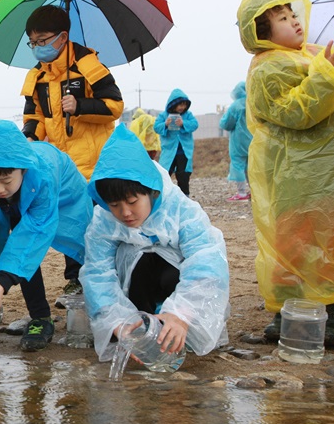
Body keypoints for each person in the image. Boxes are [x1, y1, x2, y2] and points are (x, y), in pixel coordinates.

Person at [237, 0, 334, 346]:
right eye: (283, 19)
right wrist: (327, 75)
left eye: (293, 15)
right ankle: (284, 321)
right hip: (296, 177)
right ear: (262, 32)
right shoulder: (267, 68)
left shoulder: (308, 55)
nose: (295, 22)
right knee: (293, 247)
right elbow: (295, 112)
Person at [80, 125, 230, 363]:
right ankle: (144, 321)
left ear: (151, 192)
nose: (125, 212)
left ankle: (176, 326)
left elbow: (206, 261)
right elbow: (97, 272)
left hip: (174, 281)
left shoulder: (181, 209)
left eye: (131, 201)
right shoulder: (104, 219)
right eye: (115, 204)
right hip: (139, 287)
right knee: (134, 255)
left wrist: (182, 313)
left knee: (166, 265)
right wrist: (118, 323)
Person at [0, 120, 92, 352]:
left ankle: (58, 315)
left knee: (83, 246)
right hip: (17, 198)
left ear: (23, 168)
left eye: (5, 181)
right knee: (1, 242)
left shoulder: (42, 176)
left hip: (64, 195)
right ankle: (21, 317)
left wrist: (1, 285)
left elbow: (30, 239)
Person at [20, 5, 123, 297]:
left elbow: (114, 106)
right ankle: (75, 278)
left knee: (98, 221)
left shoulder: (88, 66)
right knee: (69, 218)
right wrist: (29, 136)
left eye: (43, 40)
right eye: (33, 42)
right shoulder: (37, 77)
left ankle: (108, 274)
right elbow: (34, 116)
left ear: (63, 36)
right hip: (62, 165)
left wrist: (81, 107)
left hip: (95, 161)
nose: (38, 48)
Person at [153, 89, 198, 196]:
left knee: (183, 175)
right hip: (169, 151)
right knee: (164, 173)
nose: (182, 107)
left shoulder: (188, 115)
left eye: (184, 104)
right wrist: (165, 124)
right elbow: (156, 128)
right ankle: (162, 196)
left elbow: (195, 124)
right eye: (180, 104)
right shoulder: (164, 115)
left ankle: (185, 197)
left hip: (183, 151)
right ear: (173, 104)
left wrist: (184, 123)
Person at [219, 81, 252, 201]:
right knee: (252, 167)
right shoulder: (253, 104)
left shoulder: (236, 106)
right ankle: (255, 192)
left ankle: (241, 193)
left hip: (238, 141)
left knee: (238, 165)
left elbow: (226, 124)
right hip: (253, 140)